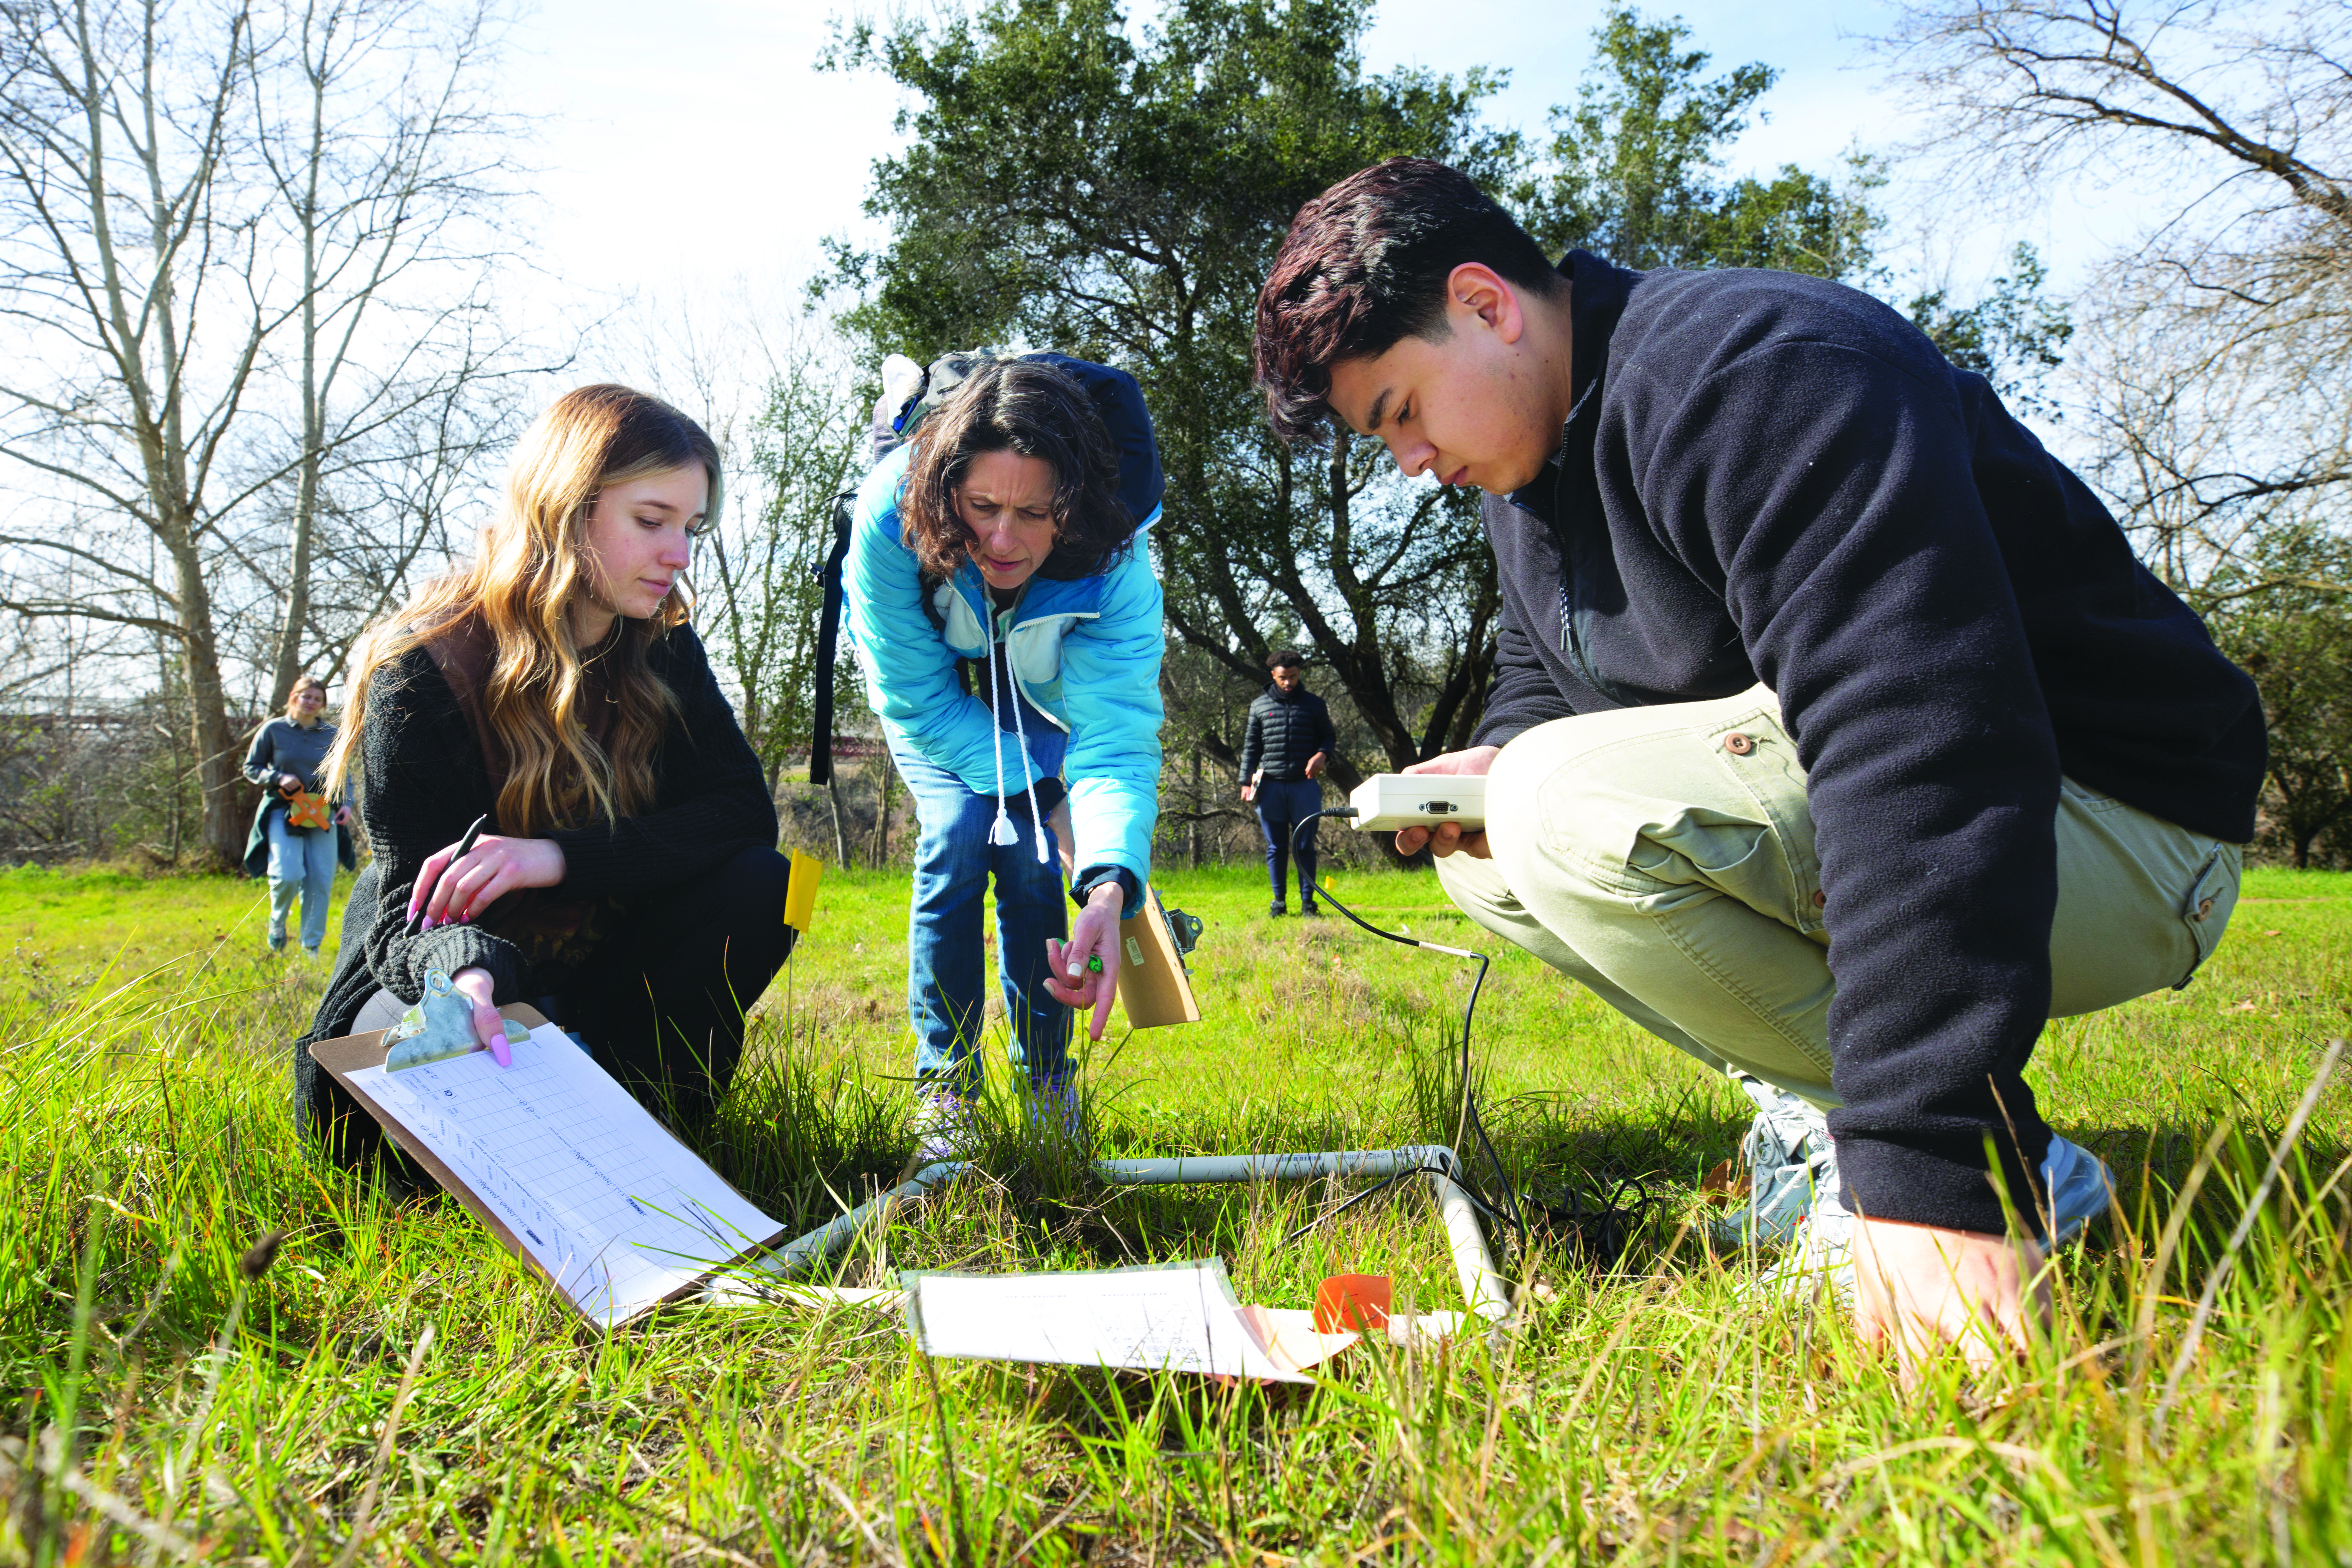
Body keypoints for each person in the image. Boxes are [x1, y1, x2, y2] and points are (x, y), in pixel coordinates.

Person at [1251, 158, 2265, 1375]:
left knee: (1559, 809)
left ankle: (1956, 1152)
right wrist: (1494, 758)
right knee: (1497, 848)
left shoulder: (1759, 370)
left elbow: (1919, 732)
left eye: (1402, 413)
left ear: (1485, 303)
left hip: (2119, 824)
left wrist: (1935, 1167)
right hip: (1949, 806)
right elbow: (1547, 682)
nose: (1409, 461)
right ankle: (1943, 1144)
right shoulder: (1526, 481)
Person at [296, 384, 794, 1167]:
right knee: (404, 1117)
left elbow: (740, 814)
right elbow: (403, 908)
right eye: (651, 521)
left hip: (600, 989)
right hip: (453, 984)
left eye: (691, 528)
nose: (680, 555)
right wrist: (467, 976)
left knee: (764, 883)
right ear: (565, 507)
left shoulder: (663, 649)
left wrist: (555, 857)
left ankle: (645, 1117)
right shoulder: (423, 666)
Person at [845, 353, 1164, 1155]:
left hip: (1036, 690)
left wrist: (1106, 884)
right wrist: (1040, 790)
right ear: (945, 490)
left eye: (1032, 514)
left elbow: (1115, 739)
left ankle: (1048, 1085)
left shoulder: (1114, 559)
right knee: (959, 835)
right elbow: (917, 699)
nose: (1000, 538)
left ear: (1076, 506)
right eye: (981, 506)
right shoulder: (890, 517)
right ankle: (945, 1092)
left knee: (1031, 860)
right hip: (936, 696)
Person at [242, 675, 357, 957]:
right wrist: (277, 777)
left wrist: (347, 804)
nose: (311, 703)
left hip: (321, 813)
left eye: (317, 699)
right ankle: (277, 923)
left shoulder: (331, 735)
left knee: (320, 879)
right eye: (307, 697)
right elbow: (252, 767)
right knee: (287, 875)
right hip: (284, 811)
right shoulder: (273, 730)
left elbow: (343, 774)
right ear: (294, 697)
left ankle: (311, 947)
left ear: (322, 705)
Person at [1238, 649, 1335, 916]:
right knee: (1276, 847)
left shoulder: (1314, 705)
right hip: (1270, 786)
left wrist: (1321, 755)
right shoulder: (1259, 706)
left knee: (1305, 846)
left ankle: (1308, 904)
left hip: (1304, 786)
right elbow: (1251, 747)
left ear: (1299, 674)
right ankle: (1278, 902)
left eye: (1293, 677)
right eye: (1283, 678)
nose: (1288, 683)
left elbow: (1329, 738)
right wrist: (1246, 782)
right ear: (1273, 676)